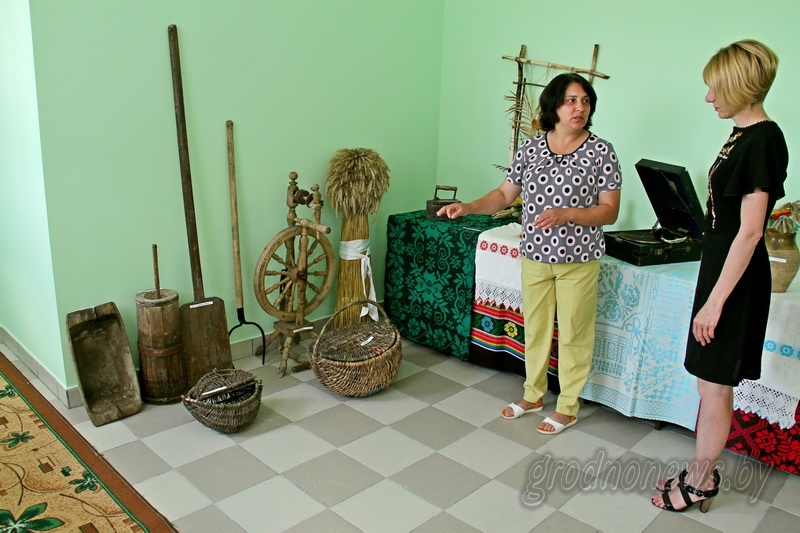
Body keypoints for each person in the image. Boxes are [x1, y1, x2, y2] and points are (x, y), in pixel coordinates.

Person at [437, 72, 621, 435]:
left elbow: (609, 211)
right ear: (553, 105)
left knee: (574, 333)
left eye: (585, 101)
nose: (579, 108)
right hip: (535, 255)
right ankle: (533, 394)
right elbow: (504, 195)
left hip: (579, 259)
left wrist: (568, 214)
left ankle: (567, 406)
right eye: (571, 100)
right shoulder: (531, 148)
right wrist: (469, 206)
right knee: (535, 328)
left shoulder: (601, 151)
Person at [651, 40, 788, 513]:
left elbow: (750, 232)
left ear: (739, 86)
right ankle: (700, 472)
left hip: (735, 281)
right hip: (721, 270)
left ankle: (700, 481)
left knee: (714, 385)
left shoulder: (764, 139)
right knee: (708, 382)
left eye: (715, 88)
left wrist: (715, 302)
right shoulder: (741, 134)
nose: (709, 97)